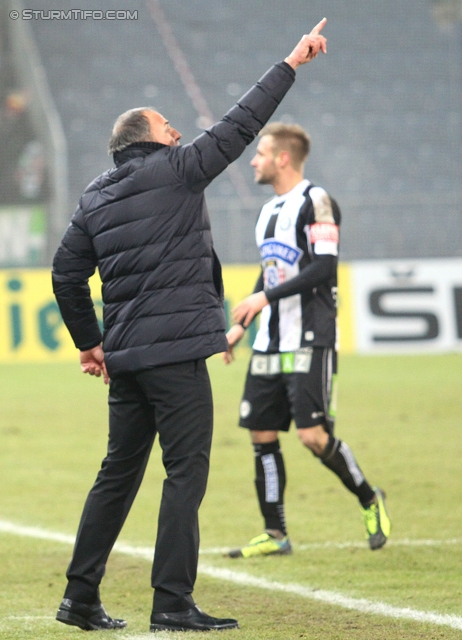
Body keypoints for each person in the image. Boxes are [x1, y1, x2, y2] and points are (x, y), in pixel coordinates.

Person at [51, 21, 328, 633]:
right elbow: (239, 124)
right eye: (168, 126)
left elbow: (65, 275)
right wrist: (290, 63)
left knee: (116, 475)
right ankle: (171, 602)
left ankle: (79, 597)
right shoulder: (177, 170)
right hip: (176, 357)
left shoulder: (93, 198)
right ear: (146, 141)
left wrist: (89, 343)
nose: (178, 132)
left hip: (126, 359)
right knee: (185, 473)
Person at [223, 122, 391, 559]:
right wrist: (247, 320)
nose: (253, 160)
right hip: (270, 340)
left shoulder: (317, 201)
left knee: (314, 437)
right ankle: (275, 533)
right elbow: (274, 268)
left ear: (283, 158)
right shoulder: (267, 211)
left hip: (310, 336)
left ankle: (370, 498)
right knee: (261, 434)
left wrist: (263, 295)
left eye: (260, 153)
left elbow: (323, 267)